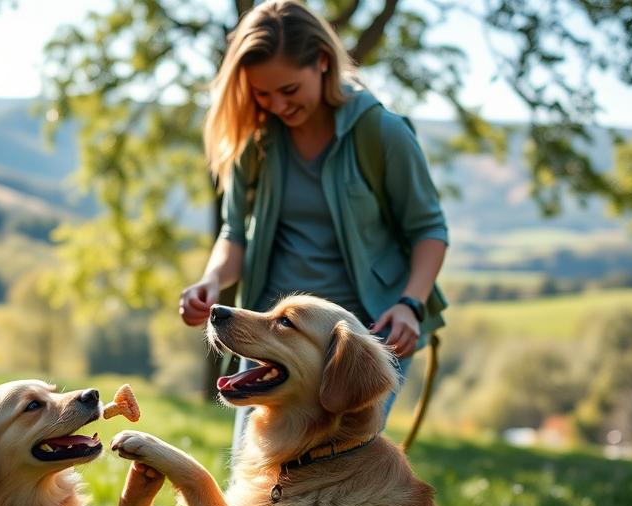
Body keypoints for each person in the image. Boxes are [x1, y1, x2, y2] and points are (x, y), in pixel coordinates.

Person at [179, 0, 449, 444]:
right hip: (272, 335)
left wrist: (410, 304)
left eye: (288, 89)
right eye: (263, 94)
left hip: (362, 340)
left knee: (338, 477)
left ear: (323, 62)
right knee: (257, 484)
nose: (277, 105)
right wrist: (211, 280)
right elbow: (234, 235)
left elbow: (429, 230)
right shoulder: (258, 142)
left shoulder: (381, 132)